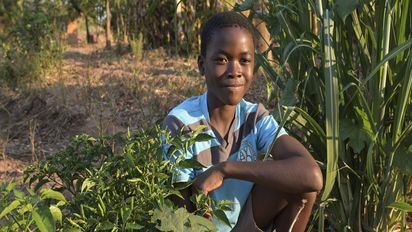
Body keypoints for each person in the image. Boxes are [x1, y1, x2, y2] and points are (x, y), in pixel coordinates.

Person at [162, 11, 323, 232]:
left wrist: (226, 169)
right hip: (199, 227)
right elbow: (180, 216)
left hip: (244, 224)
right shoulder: (180, 124)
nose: (234, 71)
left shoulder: (254, 117)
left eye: (244, 60)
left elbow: (312, 176)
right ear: (201, 65)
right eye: (221, 60)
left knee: (302, 188)